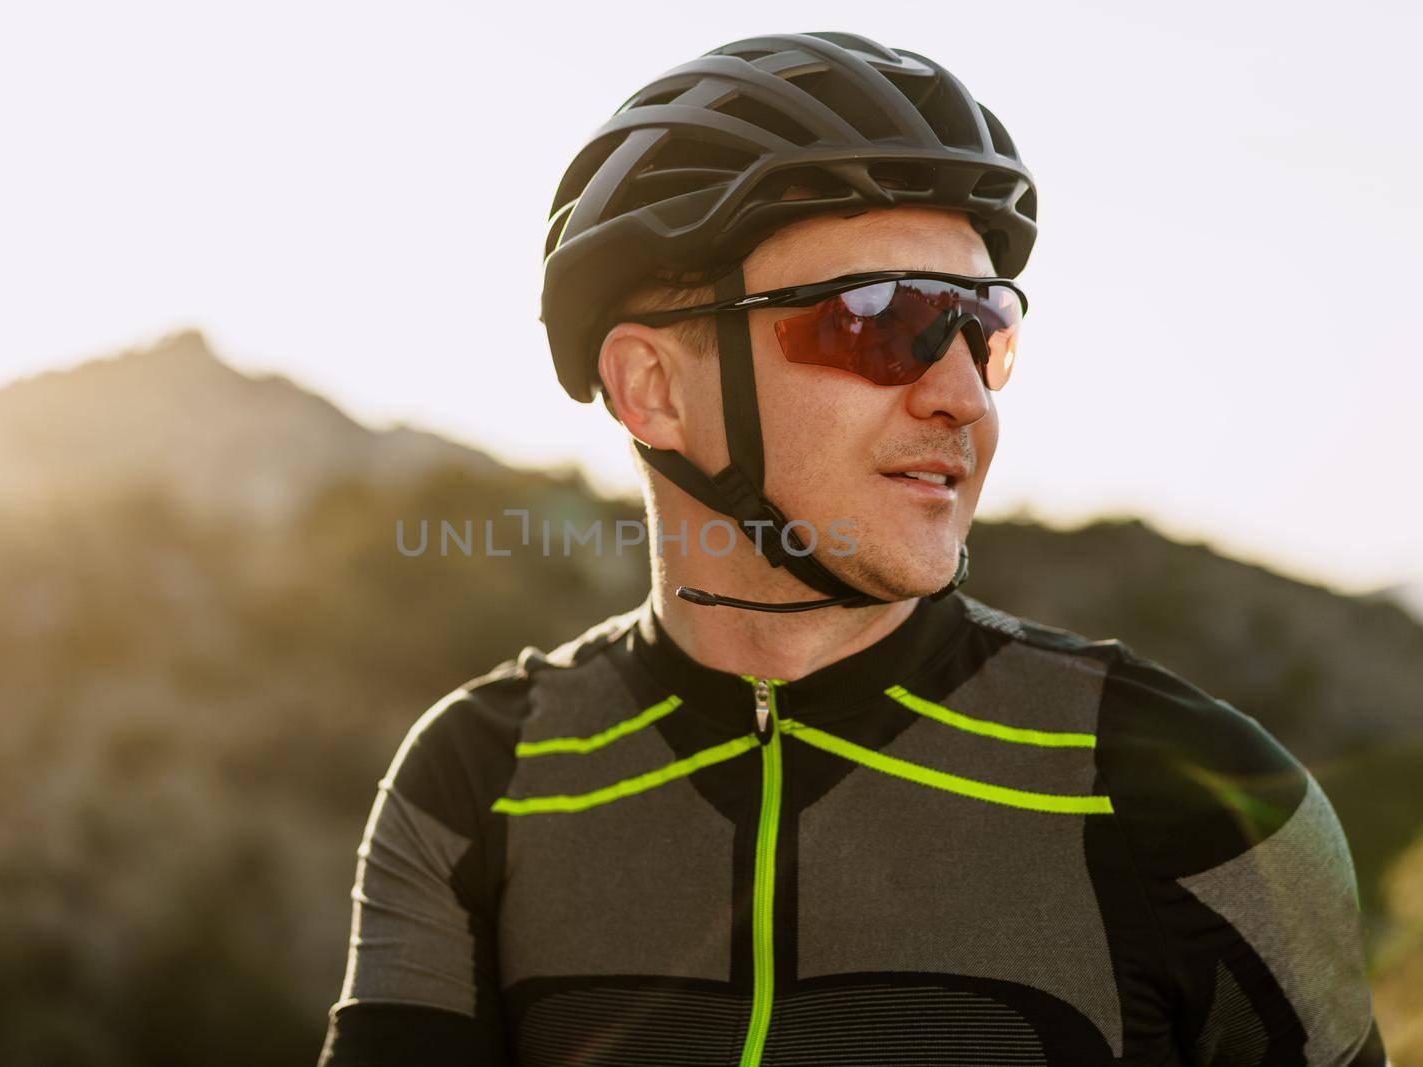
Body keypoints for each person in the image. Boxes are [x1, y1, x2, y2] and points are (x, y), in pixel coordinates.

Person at [317, 31, 1387, 1066]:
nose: (961, 394)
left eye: (984, 325)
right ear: (653, 387)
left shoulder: (1201, 793)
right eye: (882, 318)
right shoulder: (476, 779)